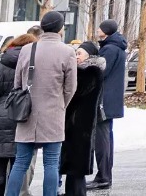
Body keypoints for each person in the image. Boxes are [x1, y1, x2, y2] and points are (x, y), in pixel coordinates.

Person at [4, 12, 76, 196]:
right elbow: (71, 87)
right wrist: (61, 104)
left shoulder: (28, 49)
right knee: (51, 162)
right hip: (53, 112)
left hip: (26, 112)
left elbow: (18, 83)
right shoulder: (67, 51)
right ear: (60, 29)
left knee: (20, 162)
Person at [0, 32, 38, 196]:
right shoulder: (31, 65)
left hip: (0, 115)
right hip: (23, 114)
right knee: (18, 162)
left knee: (0, 162)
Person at [59, 43, 105, 196]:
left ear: (89, 57)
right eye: (75, 53)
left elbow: (76, 93)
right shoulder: (84, 72)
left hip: (81, 125)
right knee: (73, 165)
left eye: (79, 54)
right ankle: (72, 192)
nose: (76, 56)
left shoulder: (90, 72)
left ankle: (76, 193)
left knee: (77, 164)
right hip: (76, 124)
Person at [91, 20, 127, 190]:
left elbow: (99, 72)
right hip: (110, 100)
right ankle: (104, 175)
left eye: (100, 28)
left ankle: (103, 176)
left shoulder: (110, 49)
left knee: (102, 139)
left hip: (104, 100)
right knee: (106, 138)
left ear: (105, 31)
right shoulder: (116, 47)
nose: (97, 30)